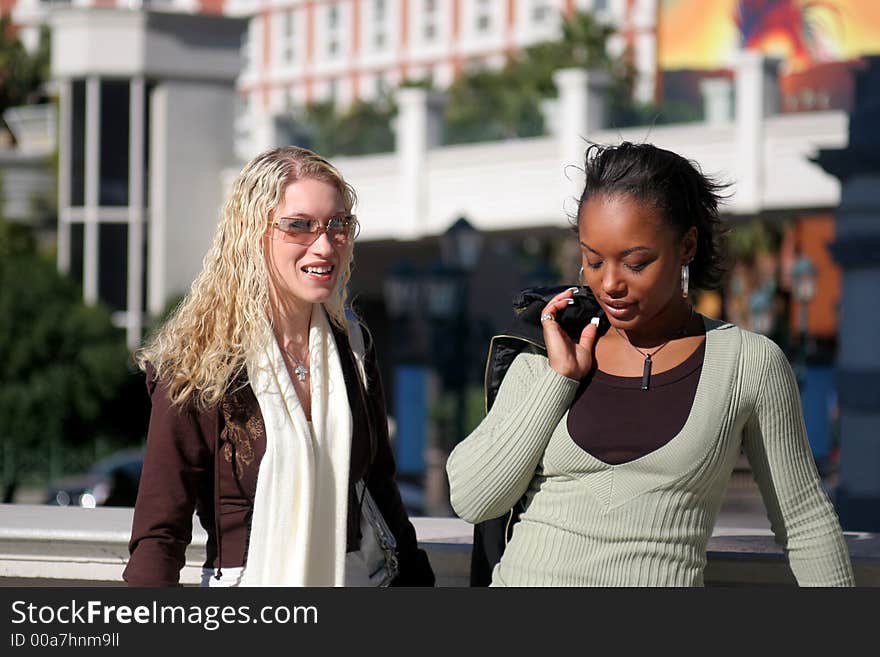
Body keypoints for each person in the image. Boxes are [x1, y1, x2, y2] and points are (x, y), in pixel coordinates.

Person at [446, 141, 854, 586]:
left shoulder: (747, 365)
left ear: (687, 246)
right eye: (593, 261)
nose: (610, 283)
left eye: (636, 262)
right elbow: (473, 499)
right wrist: (558, 381)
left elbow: (805, 522)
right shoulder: (547, 354)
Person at [124, 146, 434, 587]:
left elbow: (380, 487)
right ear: (253, 232)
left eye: (338, 225)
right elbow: (160, 531)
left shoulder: (354, 348)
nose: (324, 246)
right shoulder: (196, 363)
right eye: (299, 226)